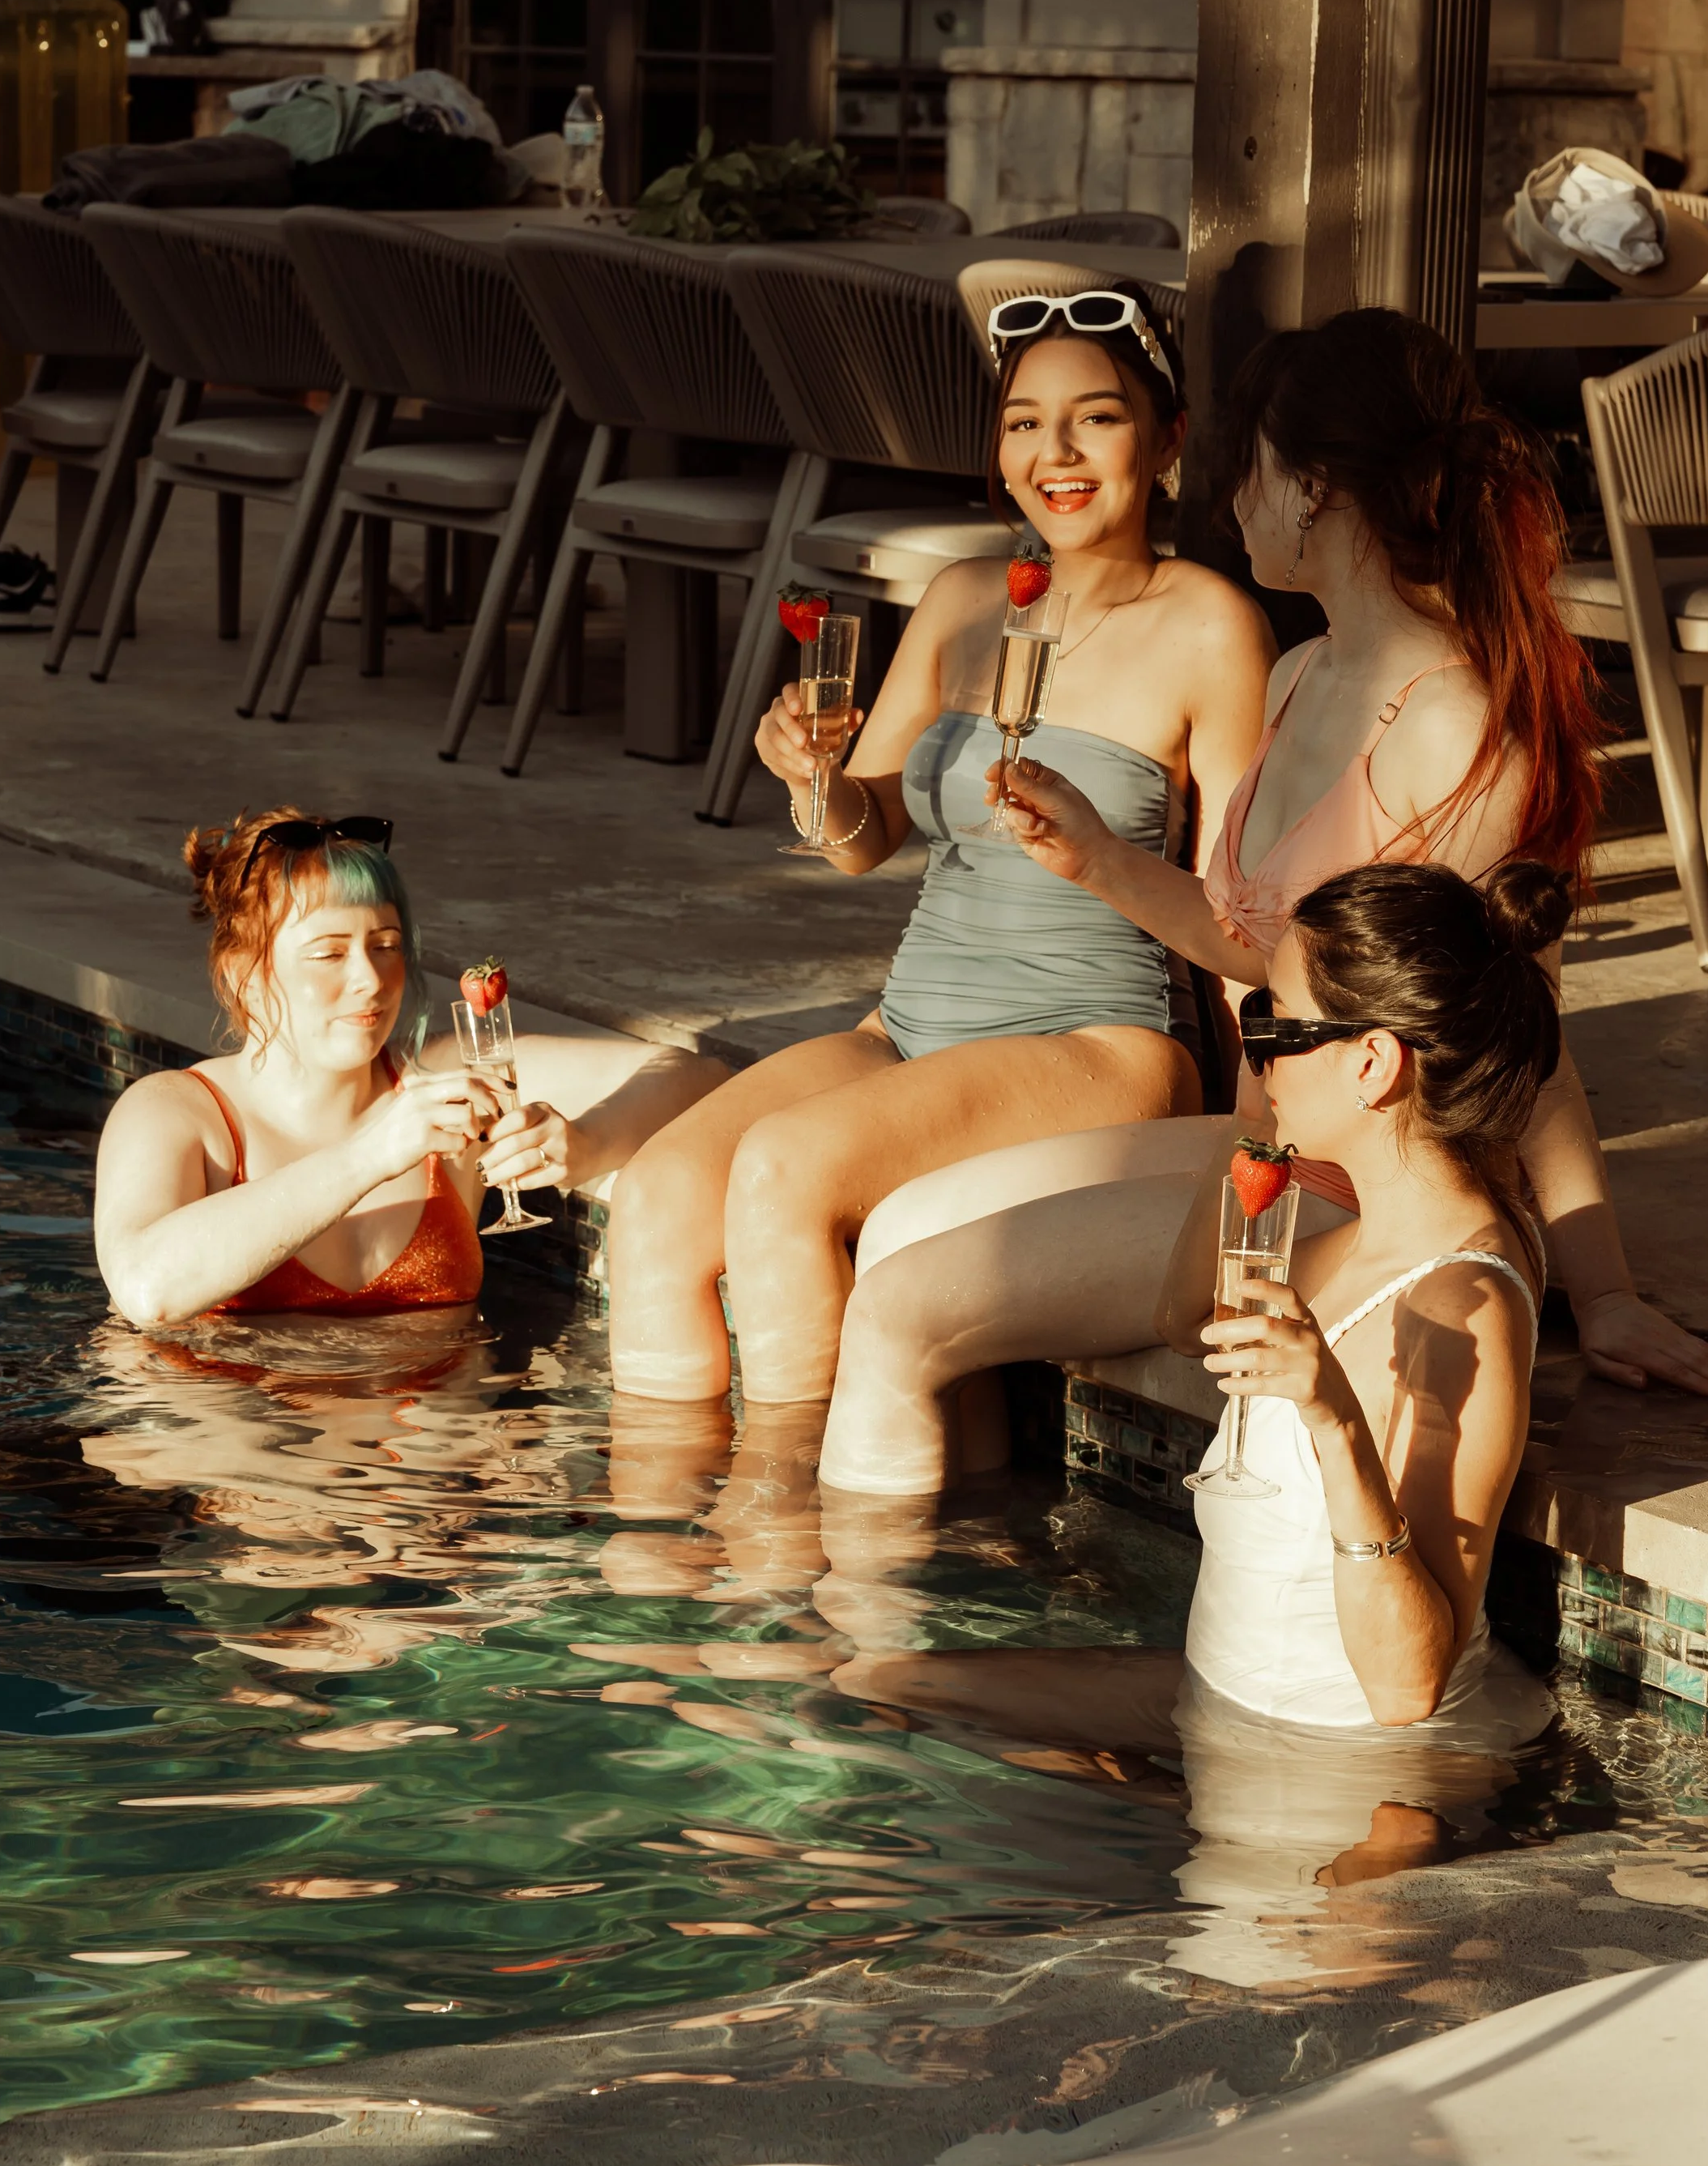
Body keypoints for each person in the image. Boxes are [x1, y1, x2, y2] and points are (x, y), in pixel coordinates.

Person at [820, 305, 1708, 1499]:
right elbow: (1259, 951)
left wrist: (1598, 1288)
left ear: (1314, 490)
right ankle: (981, 1557)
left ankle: (870, 1653)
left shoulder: (1452, 724)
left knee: (897, 1309)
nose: (1230, 500)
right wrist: (1094, 857)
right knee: (902, 1225)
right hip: (1262, 1149)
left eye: (1250, 469)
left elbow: (1517, 1024)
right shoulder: (1302, 673)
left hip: (1367, 1186)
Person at [606, 293, 1274, 1408]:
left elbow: (1247, 914)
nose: (1052, 453)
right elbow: (861, 841)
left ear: (1167, 442)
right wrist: (810, 780)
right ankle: (661, 1545)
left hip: (1096, 1041)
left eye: (1094, 418)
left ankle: (781, 1537)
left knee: (786, 1171)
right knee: (661, 1188)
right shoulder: (964, 600)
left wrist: (1100, 854)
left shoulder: (1209, 625)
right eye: (1022, 422)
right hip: (909, 1022)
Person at [828, 858, 1567, 1767]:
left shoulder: (1464, 1305)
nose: (1252, 1045)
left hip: (1328, 1764)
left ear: (1373, 1064)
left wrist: (1335, 1421)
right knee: (873, 1694)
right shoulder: (1355, 1250)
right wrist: (1253, 1133)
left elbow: (1405, 1686)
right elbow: (1188, 1318)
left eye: (1274, 1023)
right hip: (1219, 1703)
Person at [94, 808, 725, 1329]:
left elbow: (697, 1081)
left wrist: (588, 1144)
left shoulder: (446, 1080)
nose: (370, 979)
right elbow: (149, 1289)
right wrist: (371, 1154)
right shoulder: (176, 1112)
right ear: (246, 976)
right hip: (248, 1465)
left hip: (435, 1471)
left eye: (386, 945)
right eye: (329, 953)